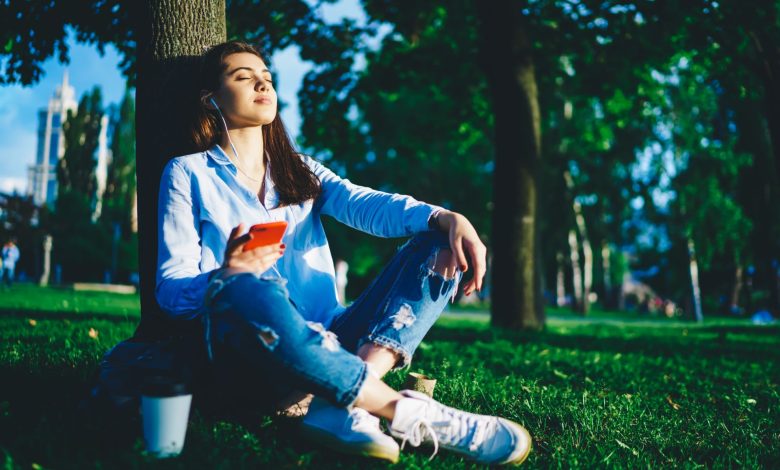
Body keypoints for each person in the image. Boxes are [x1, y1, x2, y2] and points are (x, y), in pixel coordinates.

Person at [156, 40, 531, 465]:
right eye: (243, 77)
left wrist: (445, 217)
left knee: (434, 242)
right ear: (211, 99)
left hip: (335, 337)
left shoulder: (300, 169)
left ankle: (342, 401)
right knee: (246, 287)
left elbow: (365, 205)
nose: (262, 83)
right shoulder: (188, 173)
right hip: (252, 354)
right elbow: (170, 291)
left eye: (267, 77)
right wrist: (227, 273)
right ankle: (400, 410)